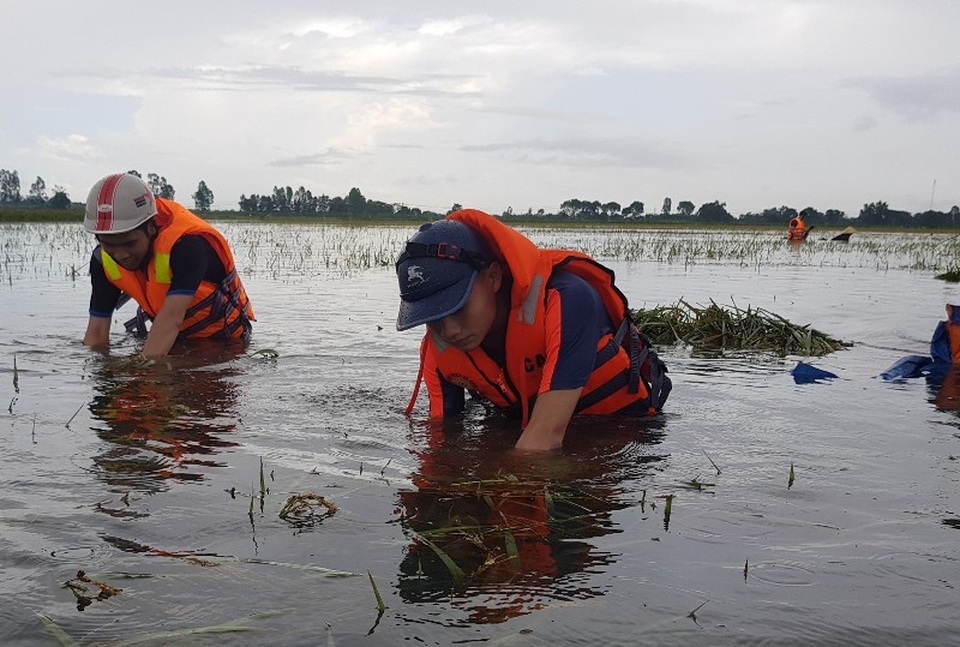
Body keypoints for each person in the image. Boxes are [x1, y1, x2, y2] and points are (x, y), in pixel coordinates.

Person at [395, 208, 671, 451]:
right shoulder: (439, 349)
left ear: (493, 277)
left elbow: (545, 437)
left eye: (458, 307)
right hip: (524, 430)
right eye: (435, 316)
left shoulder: (568, 300)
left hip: (622, 435)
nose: (450, 331)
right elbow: (441, 439)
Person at [83, 172, 255, 358]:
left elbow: (171, 320)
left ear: (150, 228)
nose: (121, 255)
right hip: (171, 340)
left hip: (225, 344)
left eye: (130, 243)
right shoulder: (102, 260)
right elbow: (97, 334)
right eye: (109, 245)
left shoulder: (188, 246)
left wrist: (145, 370)